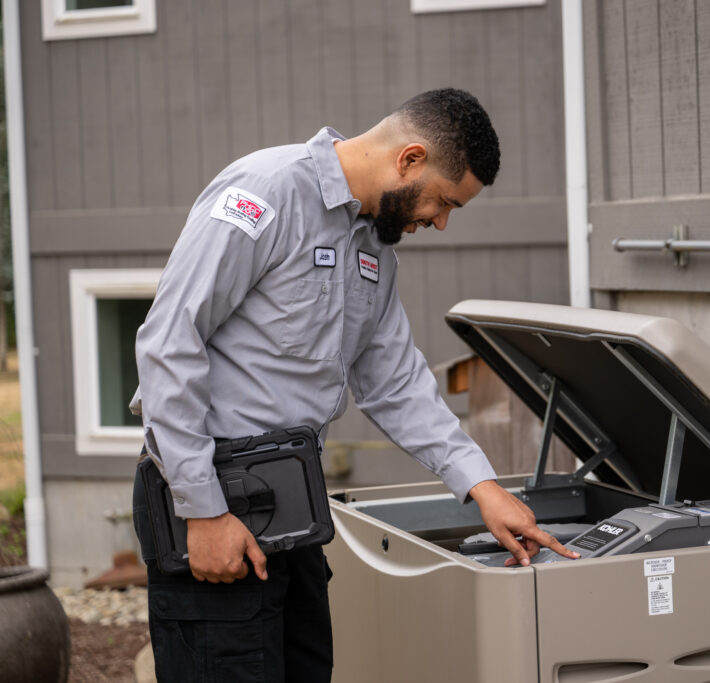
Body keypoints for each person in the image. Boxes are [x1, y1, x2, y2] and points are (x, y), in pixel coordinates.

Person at [130, 88, 577, 682]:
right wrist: (204, 512)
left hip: (291, 499)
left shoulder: (374, 251)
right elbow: (168, 342)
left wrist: (482, 486)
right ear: (410, 159)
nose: (439, 223)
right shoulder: (265, 193)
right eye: (444, 203)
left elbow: (394, 382)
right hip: (211, 490)